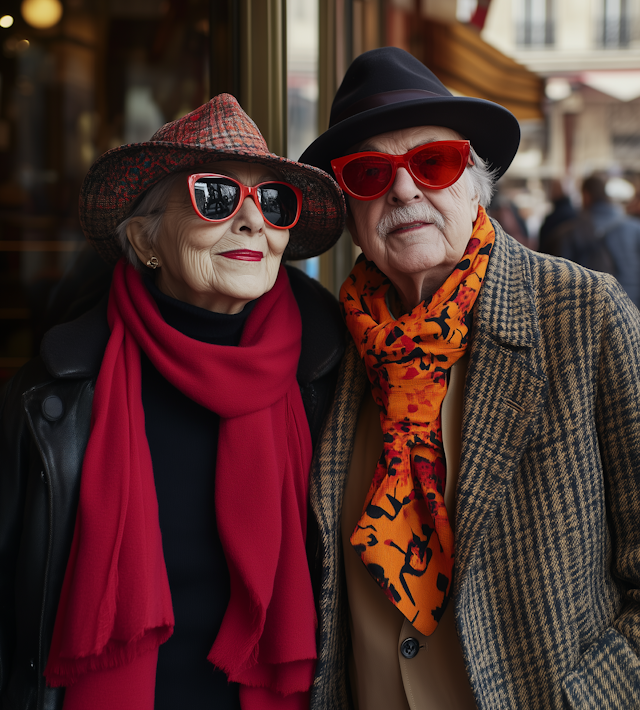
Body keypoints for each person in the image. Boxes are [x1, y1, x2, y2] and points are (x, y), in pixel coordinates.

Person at [299, 47, 640, 710]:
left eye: (433, 162)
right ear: (348, 206)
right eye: (370, 173)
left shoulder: (583, 314)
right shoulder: (329, 346)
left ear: (474, 181)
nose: (403, 190)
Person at [0, 94, 347, 710]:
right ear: (146, 238)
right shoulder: (54, 394)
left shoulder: (332, 375)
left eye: (272, 201)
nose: (252, 221)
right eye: (215, 196)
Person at [548, 173, 640, 307]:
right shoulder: (635, 228)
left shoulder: (569, 232)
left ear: (586, 195)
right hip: (632, 312)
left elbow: (559, 285)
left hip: (591, 316)